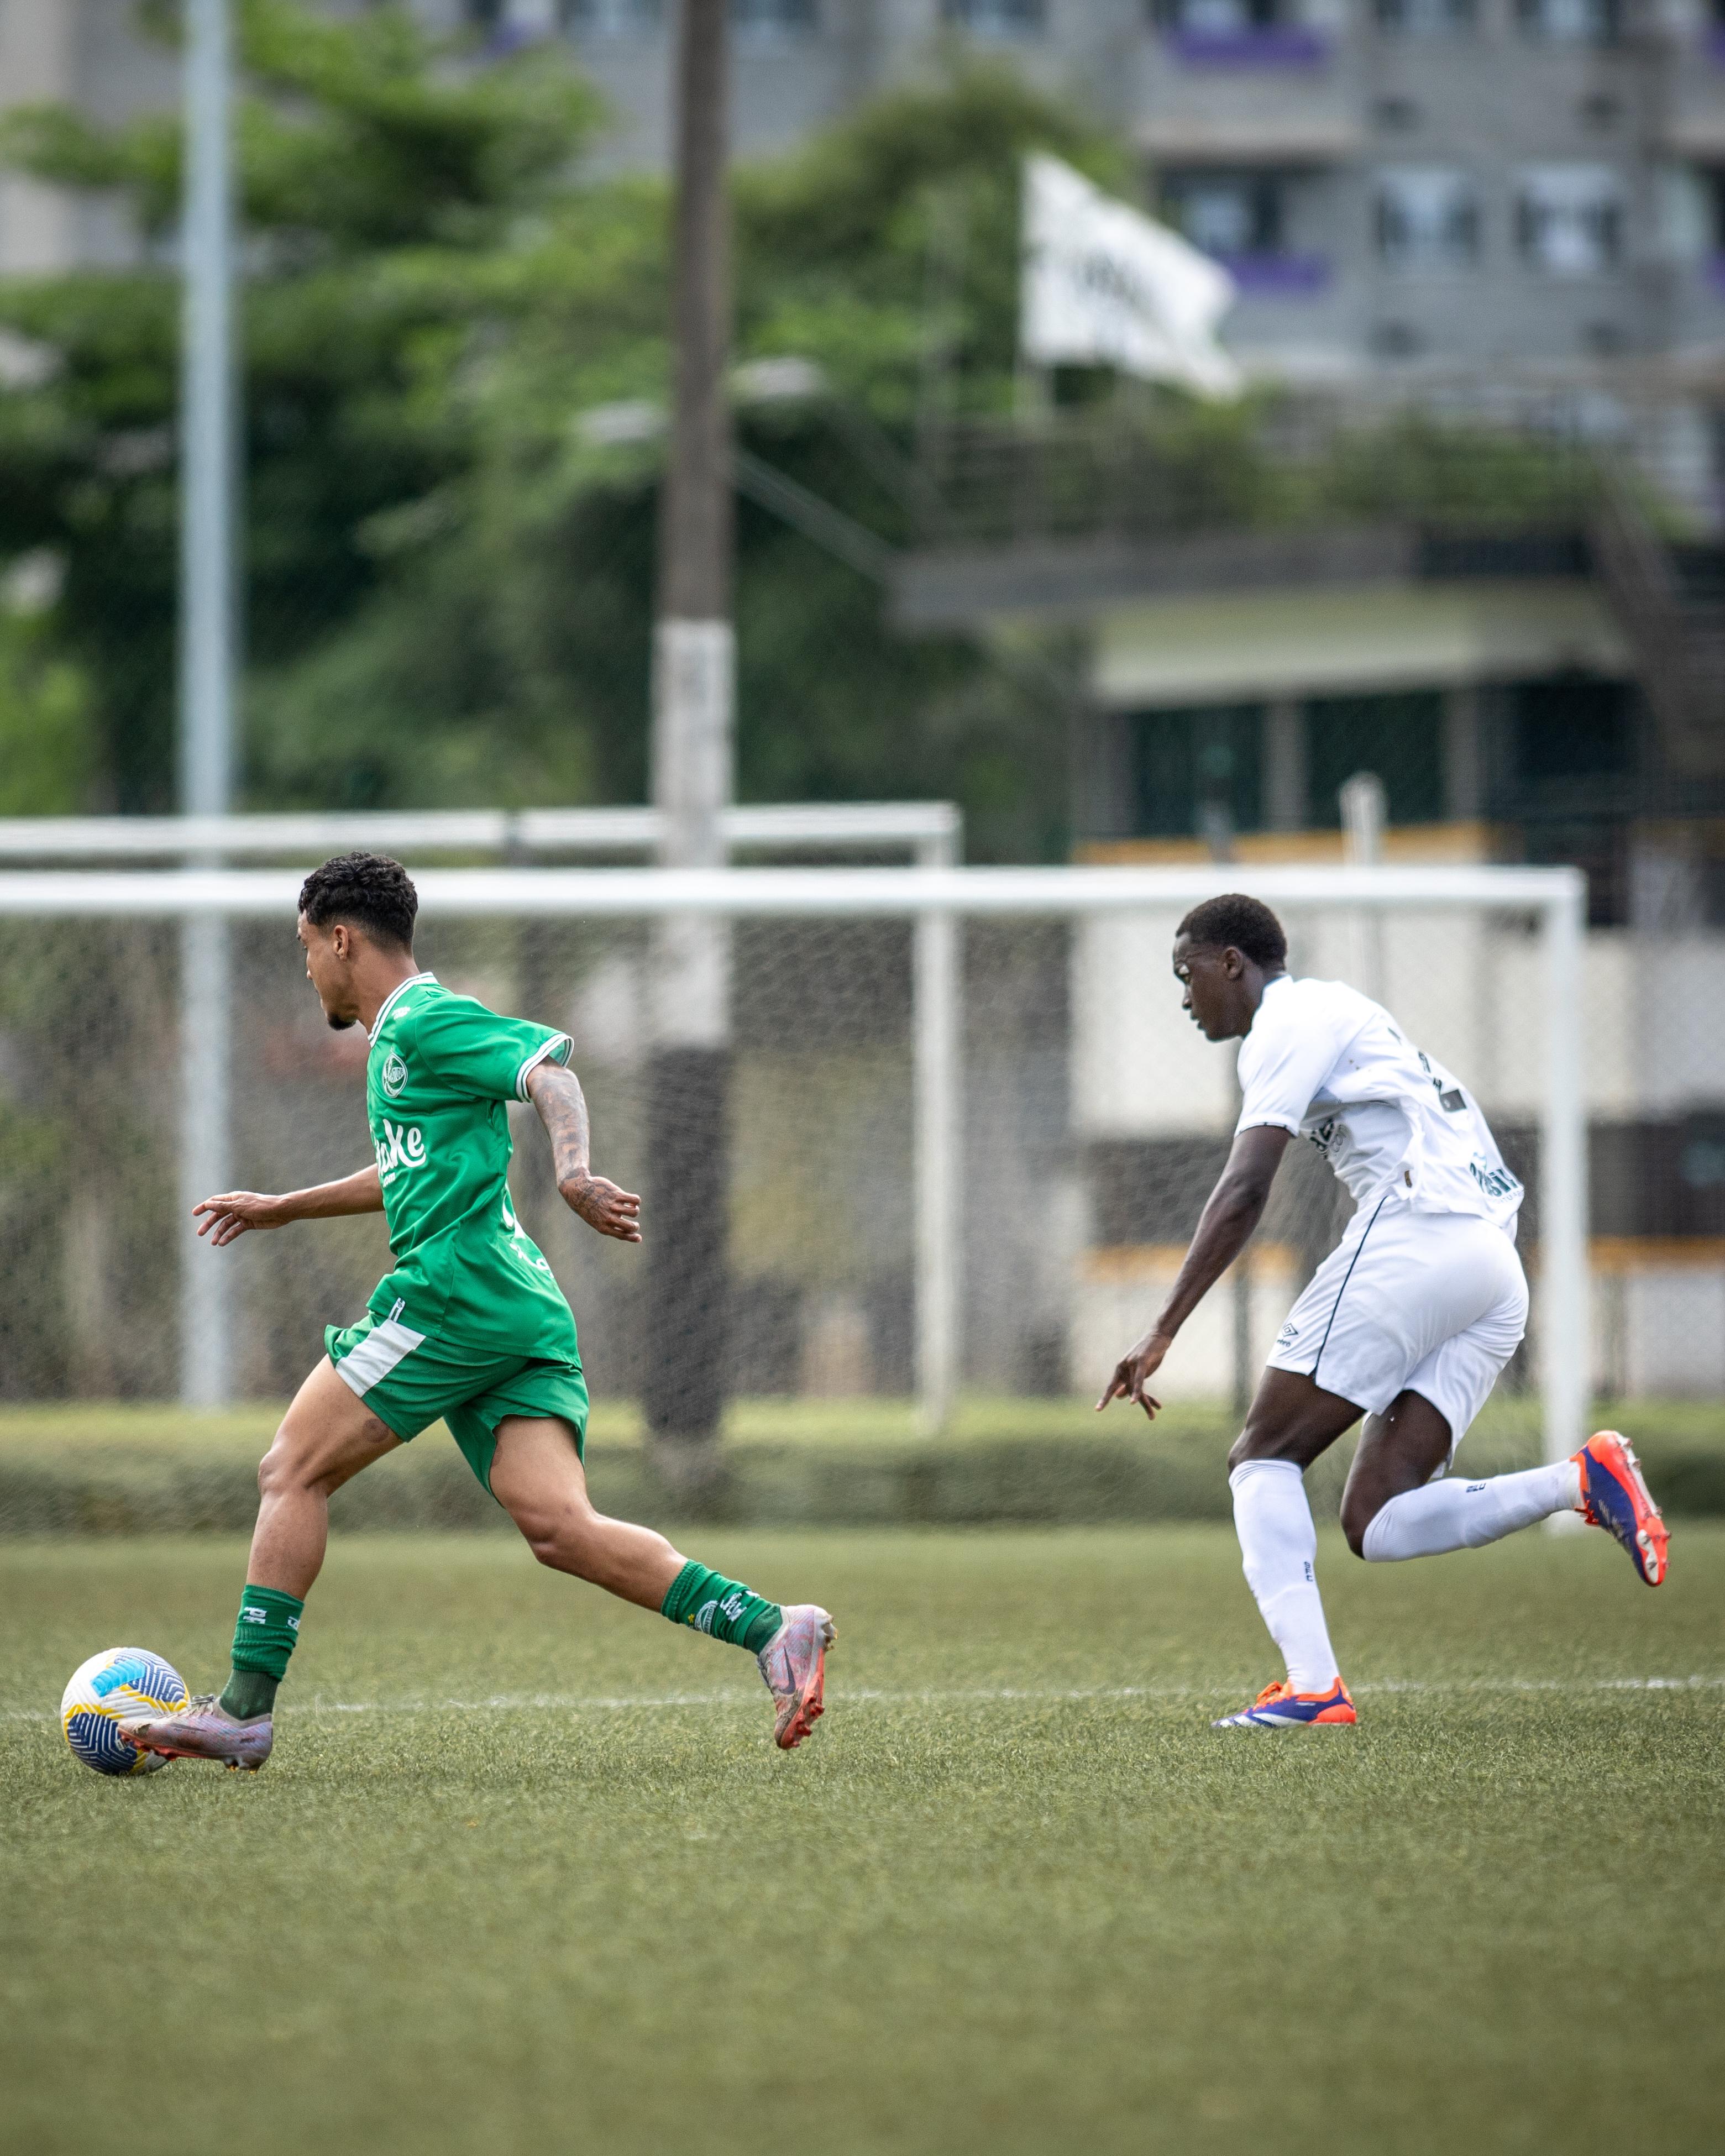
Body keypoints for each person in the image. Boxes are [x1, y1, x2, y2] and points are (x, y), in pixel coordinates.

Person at [120, 853, 833, 1771]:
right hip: (518, 1307)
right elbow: (409, 1170)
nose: (306, 968)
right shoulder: (399, 1040)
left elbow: (549, 1070)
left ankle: (246, 1709)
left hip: (452, 1299)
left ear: (341, 939)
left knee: (291, 1467)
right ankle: (775, 1628)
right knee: (561, 1529)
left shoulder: (423, 1017)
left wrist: (572, 1170)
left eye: (306, 948)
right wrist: (282, 1206)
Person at [1097, 891, 1666, 1732]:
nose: (1184, 998)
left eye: (1187, 975)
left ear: (1232, 964)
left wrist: (1164, 1325)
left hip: (1419, 1235)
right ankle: (1578, 1480)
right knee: (1377, 1521)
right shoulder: (1348, 1013)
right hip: (1489, 1264)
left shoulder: (1284, 1024)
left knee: (1261, 1456)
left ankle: (1312, 1688)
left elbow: (1244, 1188)